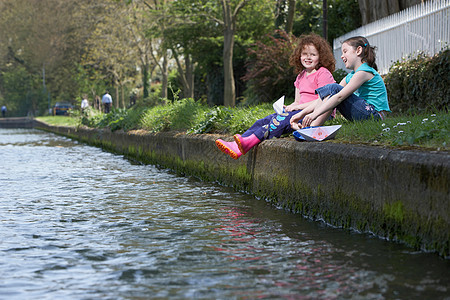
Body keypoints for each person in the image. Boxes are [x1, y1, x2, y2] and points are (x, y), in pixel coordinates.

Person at [216, 33, 336, 159]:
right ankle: (238, 143)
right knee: (264, 120)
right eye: (305, 54)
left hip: (317, 113)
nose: (308, 57)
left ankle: (247, 143)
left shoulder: (322, 73)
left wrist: (296, 108)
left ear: (320, 57)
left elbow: (324, 100)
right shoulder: (300, 76)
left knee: (278, 121)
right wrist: (290, 107)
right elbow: (297, 101)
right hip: (300, 111)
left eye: (313, 54)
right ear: (299, 56)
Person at [290, 36, 390, 130]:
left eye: (345, 51)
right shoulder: (351, 76)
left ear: (358, 50)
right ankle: (309, 127)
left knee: (333, 88)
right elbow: (326, 96)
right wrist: (301, 114)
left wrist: (314, 114)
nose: (342, 56)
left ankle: (312, 128)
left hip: (375, 116)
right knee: (331, 89)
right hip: (365, 112)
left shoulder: (364, 72)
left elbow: (339, 97)